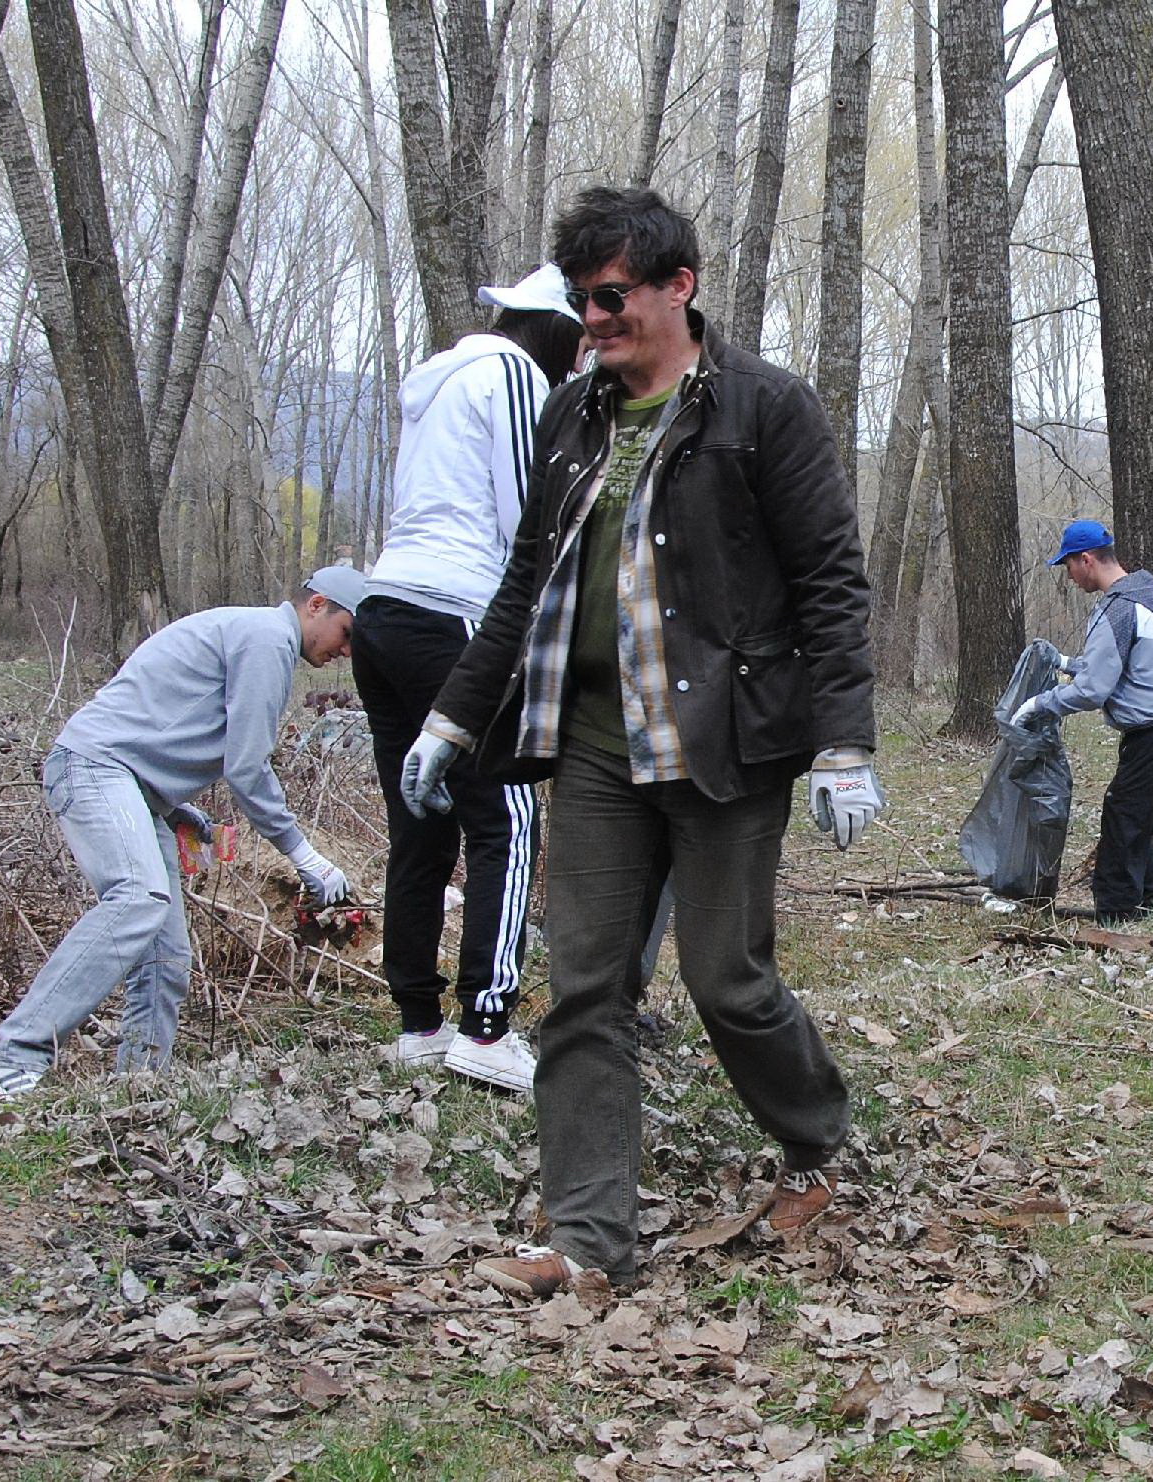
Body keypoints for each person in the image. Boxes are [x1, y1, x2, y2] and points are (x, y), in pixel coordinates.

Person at [397, 186, 882, 1297]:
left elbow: (829, 585)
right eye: (579, 301)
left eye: (612, 296)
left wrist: (844, 744)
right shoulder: (571, 416)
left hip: (725, 744)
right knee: (584, 992)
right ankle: (585, 1243)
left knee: (728, 982)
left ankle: (815, 1128)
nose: (593, 320)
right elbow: (527, 585)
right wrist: (452, 716)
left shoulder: (764, 408)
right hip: (598, 749)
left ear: (679, 284)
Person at [0, 569, 365, 1098]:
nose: (347, 652)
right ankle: (12, 1055)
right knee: (138, 898)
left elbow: (161, 719)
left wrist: (169, 805)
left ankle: (138, 1089)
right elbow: (247, 768)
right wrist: (304, 855)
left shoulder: (251, 634)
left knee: (166, 956)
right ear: (317, 605)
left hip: (126, 782)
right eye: (348, 634)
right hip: (94, 768)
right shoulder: (267, 639)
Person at [352, 264, 583, 1092]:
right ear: (552, 331)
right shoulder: (514, 374)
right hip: (456, 615)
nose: (582, 357)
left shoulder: (440, 382)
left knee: (422, 820)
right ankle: (487, 1029)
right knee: (507, 817)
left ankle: (418, 1023)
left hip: (383, 613)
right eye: (579, 338)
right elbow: (532, 513)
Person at [1011, 519, 1153, 924]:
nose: (1070, 576)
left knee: (1123, 816)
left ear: (1087, 559)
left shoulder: (1120, 608)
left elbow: (1095, 690)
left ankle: (1116, 913)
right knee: (1135, 815)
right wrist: (1067, 664)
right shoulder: (1147, 596)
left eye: (1068, 566)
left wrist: (1040, 704)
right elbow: (1122, 668)